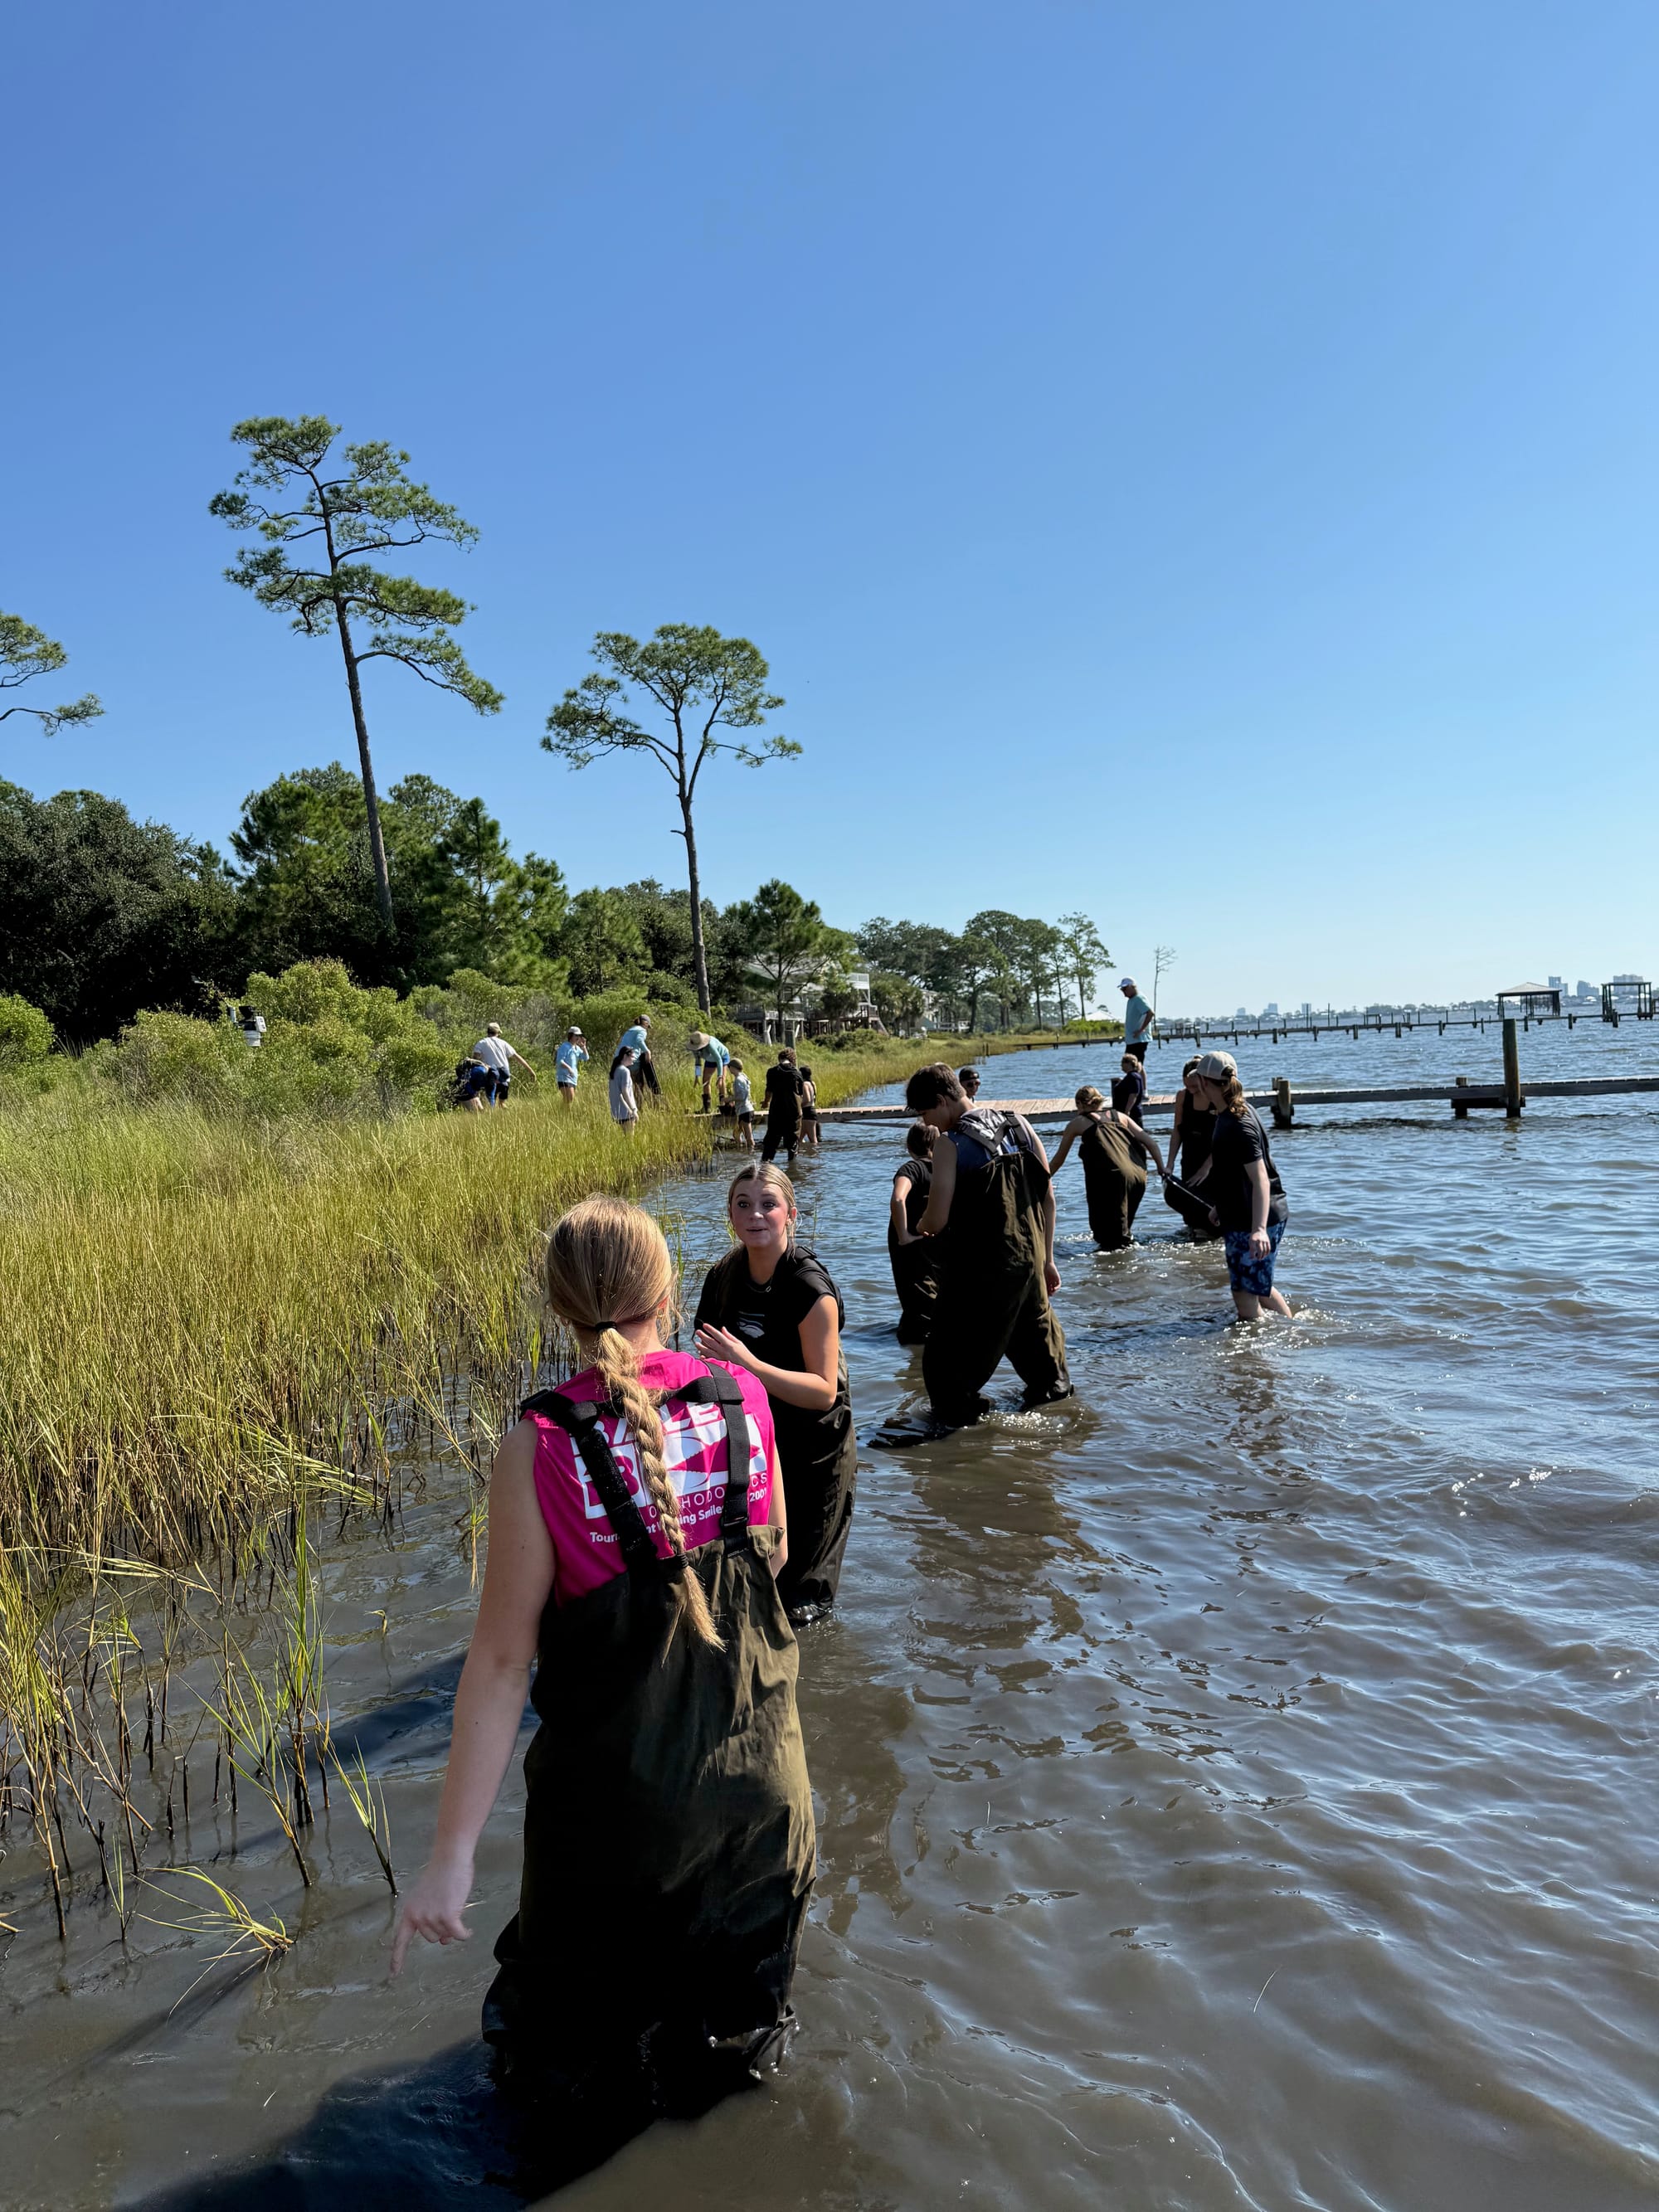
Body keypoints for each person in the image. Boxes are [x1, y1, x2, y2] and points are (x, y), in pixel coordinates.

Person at [390, 1197, 813, 2185]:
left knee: (566, 2075)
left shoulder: (541, 1444)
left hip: (617, 1825)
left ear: (560, 1308)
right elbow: (774, 1557)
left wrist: (449, 1862)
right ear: (667, 1292)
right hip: (765, 1801)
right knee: (732, 2043)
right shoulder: (741, 1399)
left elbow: (501, 1665)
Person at [694, 1164, 858, 1626]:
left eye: (769, 1204)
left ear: (791, 1214)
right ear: (730, 1215)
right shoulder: (723, 1277)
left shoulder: (809, 1287)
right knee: (751, 1574)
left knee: (804, 1600)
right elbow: (706, 1361)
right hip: (756, 1441)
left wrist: (749, 1364)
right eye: (743, 1204)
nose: (756, 1215)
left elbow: (824, 1392)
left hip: (815, 1447)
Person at [907, 1063, 1071, 1427]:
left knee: (946, 1370)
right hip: (1030, 1261)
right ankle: (1055, 1427)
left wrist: (919, 1225)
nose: (926, 1122)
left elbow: (937, 1219)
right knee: (1045, 1364)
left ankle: (964, 1437)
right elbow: (1047, 1197)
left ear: (942, 1100)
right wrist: (1048, 1260)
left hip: (985, 1269)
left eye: (925, 1112)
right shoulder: (1018, 1123)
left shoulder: (949, 1145)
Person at [1180, 1052, 1292, 1320]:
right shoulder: (1229, 1112)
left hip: (1255, 1219)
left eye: (1198, 1082)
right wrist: (1222, 1205)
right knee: (1256, 1287)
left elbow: (1260, 1178)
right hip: (1244, 1214)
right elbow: (1232, 1171)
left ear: (1205, 1083)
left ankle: (1261, 1343)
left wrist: (1259, 1230)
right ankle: (1291, 1329)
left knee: (1245, 1294)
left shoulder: (1238, 1123)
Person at [1046, 1085, 1166, 1251]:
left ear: (1079, 1103)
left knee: (1109, 1237)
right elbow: (1151, 1143)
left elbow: (1059, 1160)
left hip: (1111, 1179)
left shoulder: (1078, 1123)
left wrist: (1041, 1179)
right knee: (1123, 1230)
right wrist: (1162, 1168)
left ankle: (1114, 1264)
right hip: (1137, 1176)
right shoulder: (1120, 1116)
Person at [888, 1121, 941, 1344]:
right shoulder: (943, 1171)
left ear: (909, 1146)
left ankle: (914, 1343)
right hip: (936, 1239)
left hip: (911, 1243)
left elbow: (898, 1199)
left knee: (913, 1295)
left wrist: (903, 1236)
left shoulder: (911, 1169)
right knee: (933, 1291)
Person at [1163, 1056, 1220, 1239]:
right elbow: (1177, 1131)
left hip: (1215, 1158)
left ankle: (1212, 1241)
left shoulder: (1217, 1098)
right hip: (1190, 1156)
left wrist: (1207, 1167)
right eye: (1187, 1086)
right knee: (1191, 1208)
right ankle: (1196, 1237)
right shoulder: (1183, 1096)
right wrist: (1170, 1164)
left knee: (1214, 1208)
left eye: (1195, 1086)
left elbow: (1226, 1138)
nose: (1191, 1090)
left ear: (1204, 1081)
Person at [472, 1021, 538, 1106]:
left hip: (491, 1077)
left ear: (488, 1031)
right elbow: (518, 1058)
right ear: (498, 1033)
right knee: (502, 1104)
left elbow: (475, 1060)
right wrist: (531, 1071)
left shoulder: (481, 1043)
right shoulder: (504, 1043)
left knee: (490, 1104)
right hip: (504, 1079)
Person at [761, 1047, 805, 1164]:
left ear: (780, 1058)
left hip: (776, 1110)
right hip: (793, 1111)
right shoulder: (796, 1073)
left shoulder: (772, 1072)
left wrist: (766, 1102)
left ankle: (765, 1166)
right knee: (792, 1142)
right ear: (793, 1060)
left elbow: (769, 1091)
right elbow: (801, 1094)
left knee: (771, 1140)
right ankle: (792, 1167)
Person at [618, 1015, 660, 1101]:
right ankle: (637, 1107)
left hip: (619, 1062)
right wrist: (647, 1051)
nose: (647, 1029)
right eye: (648, 1026)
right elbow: (639, 1040)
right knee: (638, 1086)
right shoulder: (642, 1030)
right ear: (645, 1023)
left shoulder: (629, 1031)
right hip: (632, 1062)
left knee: (627, 1087)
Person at [689, 1030, 732, 1112]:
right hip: (710, 1059)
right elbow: (698, 1061)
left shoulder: (710, 1045)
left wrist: (720, 1076)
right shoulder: (694, 1047)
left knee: (722, 1080)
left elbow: (719, 1060)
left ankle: (724, 1105)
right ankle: (706, 1107)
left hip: (722, 1056)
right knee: (705, 1081)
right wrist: (697, 1076)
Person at [1118, 979, 1153, 1064]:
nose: (1123, 992)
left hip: (1139, 1040)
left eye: (1125, 989)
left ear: (1132, 987)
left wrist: (1141, 1030)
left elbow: (1150, 1013)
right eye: (1122, 989)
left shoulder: (1139, 998)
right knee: (1133, 1065)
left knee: (1133, 1065)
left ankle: (1138, 1074)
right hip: (1132, 1040)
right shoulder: (1131, 1000)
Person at [553, 1026, 588, 1102]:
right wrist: (569, 1068)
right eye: (576, 1035)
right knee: (569, 1097)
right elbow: (559, 1061)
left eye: (579, 1036)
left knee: (569, 1099)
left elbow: (586, 1058)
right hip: (564, 1076)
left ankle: (561, 1110)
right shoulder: (565, 1046)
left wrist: (584, 1048)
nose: (578, 1037)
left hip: (573, 1078)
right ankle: (563, 1110)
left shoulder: (577, 1048)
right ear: (571, 1036)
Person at [609, 1044, 640, 1130]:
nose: (634, 1059)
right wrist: (633, 1110)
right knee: (630, 1138)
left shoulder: (615, 1070)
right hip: (626, 1111)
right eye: (632, 1057)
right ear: (625, 1056)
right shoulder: (625, 1071)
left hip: (617, 1112)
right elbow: (624, 1091)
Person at [1111, 1050, 1146, 1125]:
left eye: (1122, 1063)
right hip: (1124, 1112)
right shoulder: (1131, 1076)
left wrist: (1127, 1111)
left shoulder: (1133, 1076)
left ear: (1129, 1064)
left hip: (1132, 1113)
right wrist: (1121, 1081)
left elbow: (1134, 1095)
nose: (1121, 1065)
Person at [730, 1058, 755, 1149]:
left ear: (733, 1067)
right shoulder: (743, 1076)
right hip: (744, 1110)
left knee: (748, 1137)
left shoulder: (738, 1080)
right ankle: (741, 1151)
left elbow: (742, 1096)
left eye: (729, 1067)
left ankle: (752, 1153)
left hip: (745, 1111)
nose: (729, 1069)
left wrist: (729, 1099)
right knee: (736, 1134)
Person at [798, 1064, 821, 1150]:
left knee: (813, 1139)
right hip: (811, 1111)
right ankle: (802, 1153)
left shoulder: (804, 1084)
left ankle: (815, 1154)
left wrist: (799, 1107)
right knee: (799, 1138)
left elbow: (807, 1099)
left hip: (808, 1112)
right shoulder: (812, 1083)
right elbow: (814, 1097)